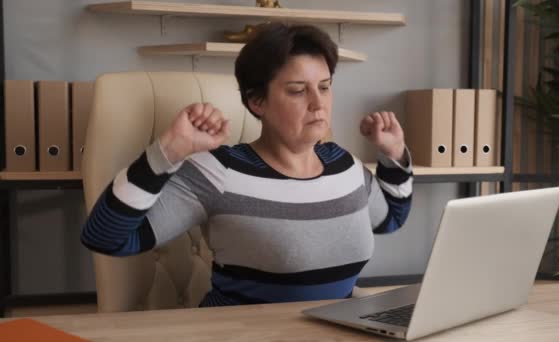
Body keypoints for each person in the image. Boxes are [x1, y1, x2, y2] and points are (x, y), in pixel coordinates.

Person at [81, 23, 413, 307]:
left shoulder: (344, 165)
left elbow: (390, 219)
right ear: (257, 101)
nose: (318, 103)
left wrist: (394, 154)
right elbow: (105, 237)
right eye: (298, 91)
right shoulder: (218, 172)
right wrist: (168, 151)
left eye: (324, 87)